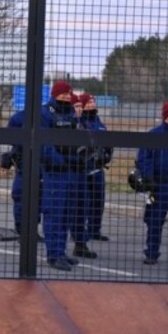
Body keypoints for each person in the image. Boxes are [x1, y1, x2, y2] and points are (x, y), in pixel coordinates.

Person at [40, 81, 90, 271]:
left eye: (69, 93)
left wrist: (81, 156)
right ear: (55, 94)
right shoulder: (45, 113)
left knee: (67, 213)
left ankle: (61, 251)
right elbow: (44, 143)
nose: (67, 96)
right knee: (54, 213)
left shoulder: (71, 114)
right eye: (63, 93)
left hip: (71, 171)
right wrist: (61, 160)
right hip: (55, 172)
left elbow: (79, 137)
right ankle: (53, 254)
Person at [137, 102, 168, 265]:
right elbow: (144, 159)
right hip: (159, 186)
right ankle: (152, 253)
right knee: (154, 221)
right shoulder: (153, 134)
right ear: (165, 115)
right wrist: (149, 179)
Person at [79, 93, 112, 242]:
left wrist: (107, 156)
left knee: (98, 201)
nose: (92, 104)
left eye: (93, 101)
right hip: (84, 169)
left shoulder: (99, 122)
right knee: (84, 201)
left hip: (98, 168)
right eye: (89, 102)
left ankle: (94, 230)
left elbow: (108, 142)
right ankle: (81, 231)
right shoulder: (80, 122)